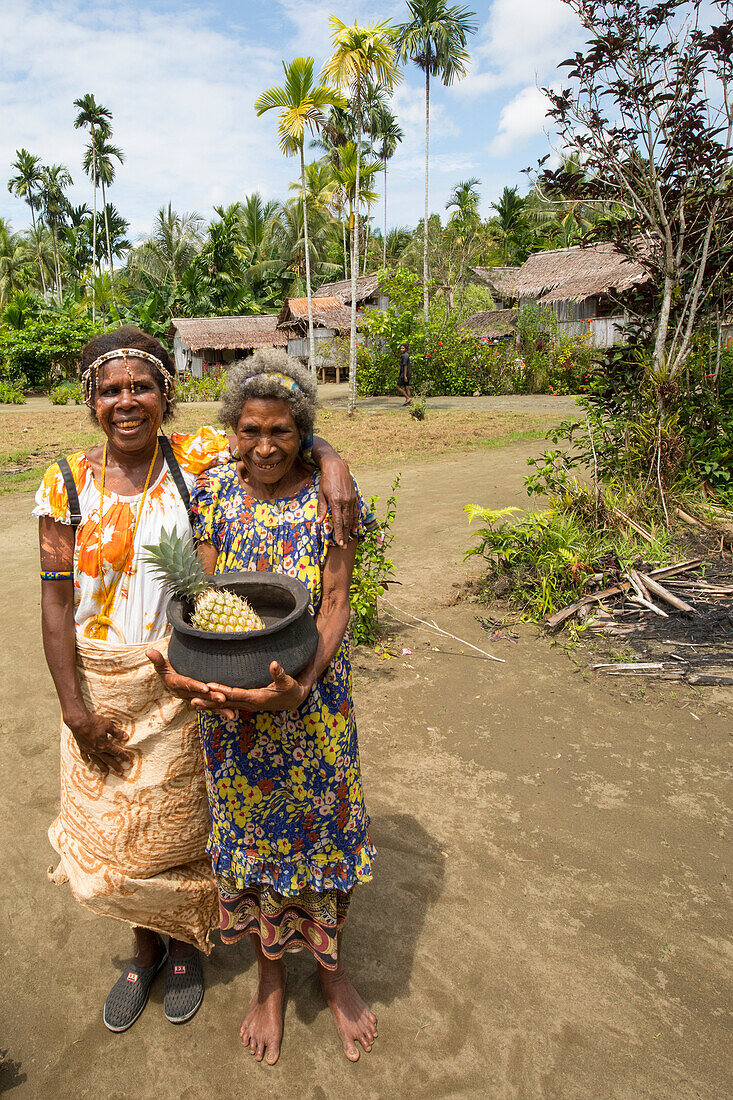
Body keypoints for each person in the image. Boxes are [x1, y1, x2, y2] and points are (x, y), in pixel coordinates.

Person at [36, 326, 357, 1033]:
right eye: (112, 389)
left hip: (185, 675)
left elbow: (276, 428)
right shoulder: (65, 483)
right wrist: (72, 708)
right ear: (91, 400)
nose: (128, 401)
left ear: (166, 395)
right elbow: (54, 602)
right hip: (102, 683)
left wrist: (331, 460)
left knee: (179, 830)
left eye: (142, 386)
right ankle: (140, 945)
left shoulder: (199, 459)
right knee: (111, 834)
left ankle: (184, 951)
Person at [149, 348, 378, 1065]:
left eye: (281, 431)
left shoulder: (332, 496)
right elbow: (208, 597)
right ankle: (271, 981)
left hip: (313, 706)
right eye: (250, 430)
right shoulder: (215, 489)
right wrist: (207, 682)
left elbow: (337, 600)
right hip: (237, 704)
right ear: (231, 431)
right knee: (250, 850)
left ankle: (334, 977)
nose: (265, 446)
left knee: (321, 841)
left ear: (303, 432)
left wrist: (303, 684)